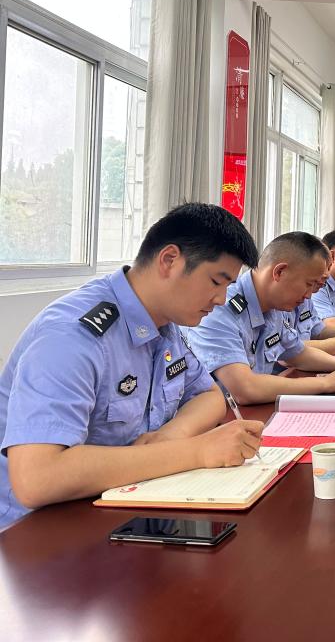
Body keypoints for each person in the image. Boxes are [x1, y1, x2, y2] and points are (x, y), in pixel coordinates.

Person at [0, 203, 265, 530]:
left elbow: (209, 395)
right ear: (169, 260)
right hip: (39, 533)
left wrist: (169, 437)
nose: (221, 299)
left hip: (121, 508)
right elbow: (36, 478)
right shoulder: (73, 336)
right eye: (216, 281)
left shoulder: (165, 324)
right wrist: (196, 451)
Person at [186, 232, 335, 406]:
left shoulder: (274, 305)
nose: (309, 295)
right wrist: (325, 383)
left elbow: (297, 354)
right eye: (308, 284)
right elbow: (245, 389)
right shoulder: (221, 309)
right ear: (279, 272)